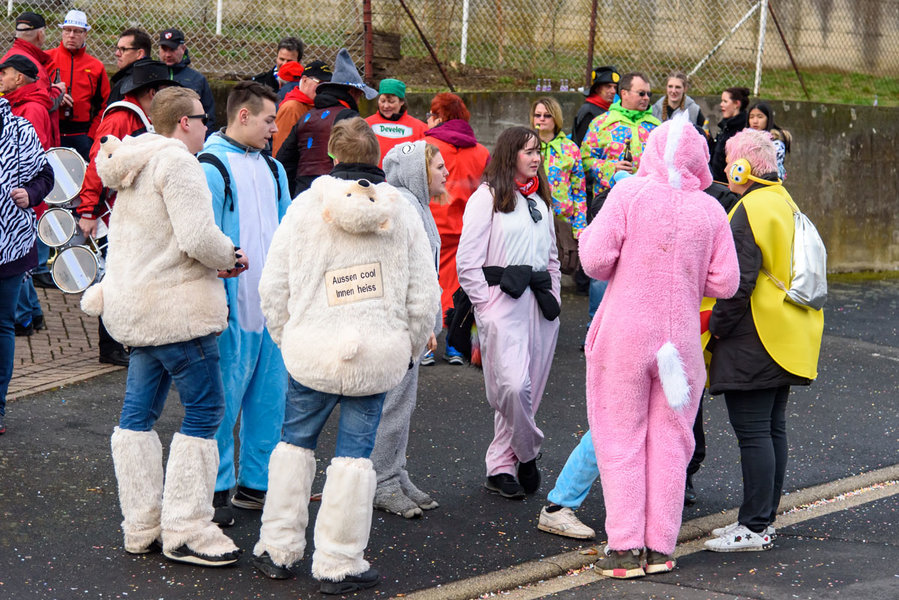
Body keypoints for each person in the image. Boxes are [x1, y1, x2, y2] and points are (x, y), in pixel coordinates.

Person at [250, 117, 439, 594]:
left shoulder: (305, 207)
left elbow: (273, 285)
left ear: (333, 156)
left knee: (294, 446)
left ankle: (277, 548)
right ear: (377, 157)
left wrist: (288, 338)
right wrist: (408, 348)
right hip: (374, 357)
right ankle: (339, 562)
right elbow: (424, 297)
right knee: (356, 459)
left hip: (311, 351)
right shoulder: (402, 213)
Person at [78, 86, 248, 566]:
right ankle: (187, 529)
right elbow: (197, 236)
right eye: (203, 117)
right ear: (184, 122)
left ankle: (142, 526)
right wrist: (230, 256)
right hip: (177, 311)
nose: (209, 125)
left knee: (137, 417)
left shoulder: (133, 161)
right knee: (206, 411)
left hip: (136, 308)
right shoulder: (178, 163)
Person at [578, 117, 739, 577]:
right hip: (681, 340)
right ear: (701, 159)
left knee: (620, 435)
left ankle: (625, 548)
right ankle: (660, 547)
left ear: (651, 150)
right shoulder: (711, 210)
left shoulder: (629, 193)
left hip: (626, 336)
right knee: (673, 441)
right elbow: (726, 282)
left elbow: (594, 260)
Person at [704, 128, 823, 552]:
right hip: (784, 334)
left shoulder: (748, 208)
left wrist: (717, 329)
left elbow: (737, 283)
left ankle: (753, 527)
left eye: (729, 161)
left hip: (755, 337)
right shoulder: (783, 200)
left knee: (754, 432)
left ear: (743, 167)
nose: (724, 169)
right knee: (772, 428)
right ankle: (761, 519)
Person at [201, 81, 291, 527]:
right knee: (221, 402)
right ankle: (215, 489)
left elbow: (288, 231)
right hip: (230, 309)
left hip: (270, 308)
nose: (274, 129)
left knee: (270, 400)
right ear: (243, 116)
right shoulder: (210, 166)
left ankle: (256, 484)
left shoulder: (274, 169)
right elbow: (200, 238)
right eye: (269, 120)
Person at [456, 126, 560, 499]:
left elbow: (552, 259)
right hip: (501, 303)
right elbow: (467, 261)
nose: (536, 158)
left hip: (540, 306)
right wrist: (486, 307)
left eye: (538, 152)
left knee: (528, 393)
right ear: (509, 154)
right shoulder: (486, 198)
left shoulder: (541, 201)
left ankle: (501, 466)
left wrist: (555, 297)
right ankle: (528, 454)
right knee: (513, 387)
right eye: (528, 151)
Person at [77, 60, 180, 367]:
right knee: (114, 276)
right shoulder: (122, 118)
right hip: (111, 212)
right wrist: (88, 210)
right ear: (152, 92)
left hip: (129, 211)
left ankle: (124, 340)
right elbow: (99, 163)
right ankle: (109, 345)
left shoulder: (141, 117)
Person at [371, 140, 446, 518]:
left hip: (411, 325)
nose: (446, 173)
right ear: (418, 172)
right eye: (438, 167)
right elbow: (403, 272)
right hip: (401, 326)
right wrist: (420, 322)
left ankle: (395, 472)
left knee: (403, 403)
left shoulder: (416, 205)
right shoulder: (403, 206)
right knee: (393, 404)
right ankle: (381, 482)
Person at [0, 96, 54, 435]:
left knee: (3, 325)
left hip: (11, 245)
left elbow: (46, 175)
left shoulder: (20, 129)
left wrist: (31, 194)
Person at [424, 92, 490, 365]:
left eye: (431, 114)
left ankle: (425, 347)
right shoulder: (481, 152)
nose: (428, 119)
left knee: (424, 285)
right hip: (466, 229)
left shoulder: (426, 147)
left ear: (440, 117)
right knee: (459, 287)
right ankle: (453, 346)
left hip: (430, 225)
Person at [276, 48, 377, 196]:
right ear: (352, 92)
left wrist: (292, 196)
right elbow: (361, 163)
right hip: (335, 195)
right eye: (359, 96)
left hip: (303, 195)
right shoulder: (350, 118)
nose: (358, 101)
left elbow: (284, 160)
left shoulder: (306, 117)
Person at [0, 55, 53, 336]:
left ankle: (25, 317)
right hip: (23, 207)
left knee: (20, 271)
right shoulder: (21, 104)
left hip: (20, 209)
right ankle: (31, 312)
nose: (1, 78)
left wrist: (29, 194)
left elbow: (34, 163)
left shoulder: (29, 110)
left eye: (4, 72)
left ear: (19, 77)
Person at [531, 96, 586, 276]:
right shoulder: (526, 145)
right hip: (531, 218)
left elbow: (579, 191)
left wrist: (579, 227)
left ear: (556, 118)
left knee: (557, 272)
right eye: (537, 115)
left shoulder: (570, 149)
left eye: (547, 115)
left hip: (561, 221)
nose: (541, 119)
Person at [46, 10, 110, 160]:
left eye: (77, 31)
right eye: (67, 30)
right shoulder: (46, 59)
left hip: (82, 135)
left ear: (85, 34)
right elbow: (33, 93)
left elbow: (105, 105)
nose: (71, 35)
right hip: (51, 131)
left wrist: (91, 135)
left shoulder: (96, 67)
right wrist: (54, 97)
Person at [2, 11, 62, 147]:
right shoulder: (30, 64)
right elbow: (43, 99)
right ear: (40, 34)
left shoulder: (9, 57)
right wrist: (58, 91)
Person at [158, 28, 216, 132]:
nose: (168, 55)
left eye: (172, 50)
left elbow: (209, 117)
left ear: (183, 49)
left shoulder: (197, 79)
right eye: (164, 49)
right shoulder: (152, 77)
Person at [271, 59, 331, 155]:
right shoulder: (292, 108)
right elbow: (280, 150)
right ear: (305, 80)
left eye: (327, 84)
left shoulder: (319, 105)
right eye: (320, 83)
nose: (323, 88)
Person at [365, 78, 427, 166]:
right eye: (382, 101)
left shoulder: (420, 129)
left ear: (402, 102)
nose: (386, 106)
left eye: (391, 101)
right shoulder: (366, 125)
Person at [709, 86, 750, 182]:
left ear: (736, 104)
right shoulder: (726, 125)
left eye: (725, 101)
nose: (721, 104)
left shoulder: (742, 129)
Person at [572, 65, 619, 147]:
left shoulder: (611, 109)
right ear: (597, 89)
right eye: (608, 87)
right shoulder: (589, 112)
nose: (613, 91)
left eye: (615, 87)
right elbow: (582, 143)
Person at [747, 102, 791, 180]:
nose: (755, 121)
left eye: (760, 117)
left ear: (768, 119)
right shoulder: (743, 139)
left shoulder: (776, 143)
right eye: (751, 117)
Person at [108, 28, 152, 104]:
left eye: (123, 49)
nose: (117, 53)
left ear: (139, 53)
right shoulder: (158, 76)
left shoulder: (127, 85)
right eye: (117, 48)